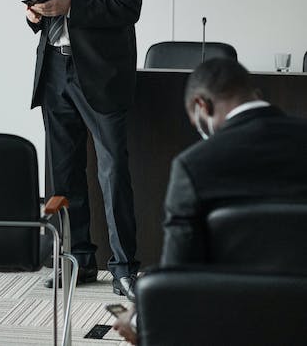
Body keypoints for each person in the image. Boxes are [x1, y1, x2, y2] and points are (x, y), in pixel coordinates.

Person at [112, 57, 307, 343]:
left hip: (227, 323)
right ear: (256, 95)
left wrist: (140, 319)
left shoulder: (194, 165)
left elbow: (178, 273)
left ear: (202, 106)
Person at [25, 0, 142, 299]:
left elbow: (127, 8)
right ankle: (78, 259)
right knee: (63, 173)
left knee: (113, 173)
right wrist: (33, 15)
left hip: (101, 73)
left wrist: (73, 6)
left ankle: (126, 266)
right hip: (55, 67)